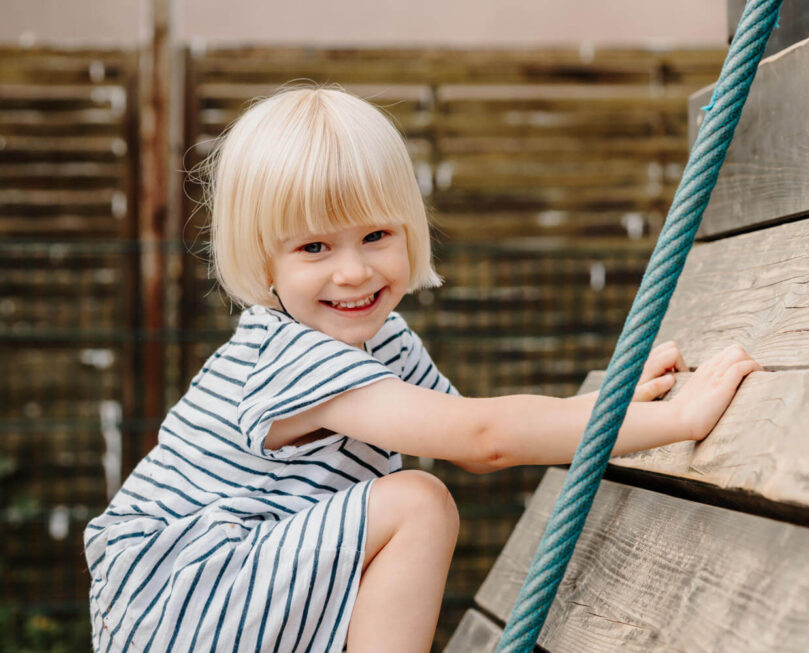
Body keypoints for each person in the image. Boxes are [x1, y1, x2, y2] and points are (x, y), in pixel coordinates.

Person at [83, 85, 762, 653]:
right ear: (265, 264)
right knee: (417, 503)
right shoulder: (289, 353)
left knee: (412, 501)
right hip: (177, 598)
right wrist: (677, 419)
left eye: (376, 234)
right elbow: (486, 440)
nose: (354, 270)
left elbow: (476, 430)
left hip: (231, 589)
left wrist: (621, 404)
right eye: (315, 246)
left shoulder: (386, 344)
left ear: (408, 227)